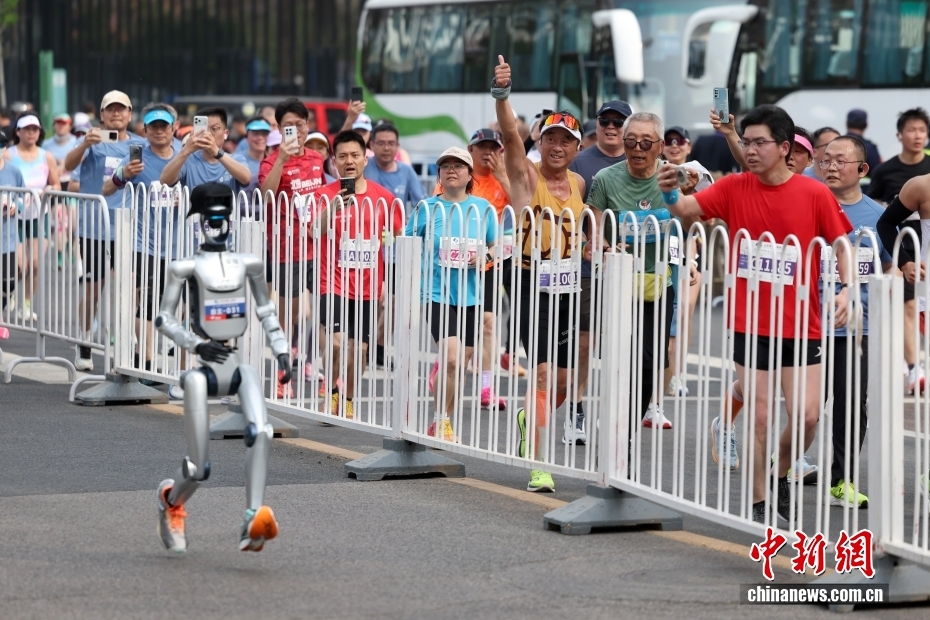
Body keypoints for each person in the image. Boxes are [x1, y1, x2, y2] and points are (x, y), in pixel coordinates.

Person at [657, 104, 853, 525]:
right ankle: (760, 501)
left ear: (784, 148)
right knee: (760, 415)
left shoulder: (814, 193)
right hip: (751, 321)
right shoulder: (734, 187)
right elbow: (687, 211)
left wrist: (845, 289)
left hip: (802, 323)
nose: (749, 150)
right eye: (745, 142)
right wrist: (671, 192)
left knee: (807, 416)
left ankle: (780, 471)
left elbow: (842, 246)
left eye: (759, 142)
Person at [153, 182, 291, 554]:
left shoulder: (247, 263)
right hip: (203, 368)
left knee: (262, 432)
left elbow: (266, 310)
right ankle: (170, 502)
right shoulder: (185, 267)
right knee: (200, 468)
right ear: (200, 222)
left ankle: (252, 518)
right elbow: (164, 318)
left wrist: (281, 349)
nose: (217, 226)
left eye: (222, 218)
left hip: (236, 363)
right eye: (210, 219)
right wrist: (196, 344)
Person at [494, 55, 586, 492]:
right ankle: (538, 463)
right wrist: (502, 95)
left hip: (568, 285)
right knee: (545, 374)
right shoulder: (527, 177)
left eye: (566, 140)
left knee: (564, 382)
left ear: (577, 148)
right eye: (551, 138)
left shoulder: (580, 185)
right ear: (541, 141)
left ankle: (528, 417)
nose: (558, 146)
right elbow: (510, 137)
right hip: (531, 281)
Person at [586, 112, 691, 431]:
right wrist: (605, 248)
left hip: (658, 281)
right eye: (631, 141)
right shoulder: (605, 178)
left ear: (659, 146)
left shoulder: (673, 177)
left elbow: (690, 222)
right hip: (617, 280)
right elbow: (594, 229)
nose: (637, 148)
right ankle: (618, 420)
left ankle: (635, 414)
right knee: (619, 354)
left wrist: (687, 259)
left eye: (646, 142)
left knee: (652, 360)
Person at [406, 147, 497, 443]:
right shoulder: (427, 208)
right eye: (445, 166)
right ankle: (440, 420)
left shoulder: (483, 208)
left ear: (470, 175)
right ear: (440, 175)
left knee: (460, 367)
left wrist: (485, 255)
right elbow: (405, 241)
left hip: (471, 296)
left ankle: (443, 421)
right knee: (453, 359)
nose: (451, 170)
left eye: (458, 166)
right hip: (435, 294)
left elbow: (497, 245)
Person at [821, 135, 890, 509]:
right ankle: (785, 459)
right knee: (805, 408)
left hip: (856, 327)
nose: (831, 166)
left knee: (850, 404)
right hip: (808, 323)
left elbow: (891, 269)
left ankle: (841, 480)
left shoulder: (879, 217)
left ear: (862, 169)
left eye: (840, 161)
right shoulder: (807, 204)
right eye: (826, 159)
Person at [314, 131, 401, 418]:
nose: (349, 161)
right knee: (337, 343)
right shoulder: (324, 195)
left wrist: (390, 279)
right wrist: (333, 208)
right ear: (334, 161)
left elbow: (401, 235)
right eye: (342, 156)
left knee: (360, 349)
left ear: (365, 158)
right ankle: (331, 391)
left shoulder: (384, 198)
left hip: (367, 286)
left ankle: (348, 398)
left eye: (354, 155)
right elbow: (313, 231)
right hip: (333, 282)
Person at [64, 90, 146, 372]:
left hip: (129, 227)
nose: (116, 113)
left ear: (130, 114)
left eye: (121, 109)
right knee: (93, 288)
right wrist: (85, 144)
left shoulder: (139, 144)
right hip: (94, 227)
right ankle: (84, 342)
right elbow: (68, 166)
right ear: (101, 114)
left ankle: (128, 338)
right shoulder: (91, 140)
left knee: (130, 287)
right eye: (110, 109)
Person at [565, 99, 632, 441]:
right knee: (585, 342)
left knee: (624, 344)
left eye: (618, 122)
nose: (611, 127)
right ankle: (575, 410)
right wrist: (588, 243)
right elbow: (571, 212)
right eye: (605, 121)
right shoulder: (580, 162)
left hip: (633, 268)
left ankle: (617, 413)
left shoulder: (639, 160)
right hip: (588, 266)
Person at [102, 104, 180, 393]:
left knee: (160, 301)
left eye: (164, 126)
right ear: (144, 130)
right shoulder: (135, 156)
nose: (159, 131)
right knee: (148, 298)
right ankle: (146, 360)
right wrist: (123, 174)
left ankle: (140, 356)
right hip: (141, 240)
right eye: (153, 127)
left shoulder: (184, 153)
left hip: (175, 242)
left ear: (173, 128)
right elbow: (107, 189)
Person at [433, 128, 512, 409]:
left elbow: (522, 207)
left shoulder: (502, 179)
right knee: (456, 332)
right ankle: (444, 362)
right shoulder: (457, 178)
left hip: (488, 261)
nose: (488, 152)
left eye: (494, 147)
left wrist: (502, 175)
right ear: (471, 150)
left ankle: (486, 387)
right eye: (482, 147)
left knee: (488, 323)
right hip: (451, 265)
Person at [259, 97, 327, 396]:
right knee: (290, 316)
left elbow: (323, 194)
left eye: (300, 125)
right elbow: (265, 195)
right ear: (279, 128)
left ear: (307, 125)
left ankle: (329, 374)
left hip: (319, 247)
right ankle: (282, 373)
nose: (296, 131)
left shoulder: (316, 158)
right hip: (288, 249)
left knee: (325, 312)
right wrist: (281, 160)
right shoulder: (270, 161)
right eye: (289, 126)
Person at [866, 107, 930, 394]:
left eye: (922, 130)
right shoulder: (894, 173)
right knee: (908, 307)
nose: (917, 136)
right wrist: (903, 261)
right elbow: (879, 216)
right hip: (908, 250)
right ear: (899, 135)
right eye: (912, 130)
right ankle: (915, 367)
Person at [661, 125, 713, 400]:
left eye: (679, 141)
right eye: (669, 140)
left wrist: (691, 190)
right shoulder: (658, 172)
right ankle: (666, 369)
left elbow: (705, 219)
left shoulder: (698, 173)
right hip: (662, 249)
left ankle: (677, 373)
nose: (674, 145)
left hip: (690, 247)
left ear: (689, 146)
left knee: (684, 311)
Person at [6, 114, 61, 322]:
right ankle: (10, 290)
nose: (31, 133)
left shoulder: (46, 156)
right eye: (27, 129)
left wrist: (49, 189)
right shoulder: (8, 154)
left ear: (39, 132)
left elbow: (56, 183)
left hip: (39, 214)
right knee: (20, 266)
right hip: (14, 216)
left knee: (36, 265)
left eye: (35, 129)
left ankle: (26, 305)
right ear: (18, 131)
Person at [159, 106, 250, 191]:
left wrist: (216, 152)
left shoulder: (236, 159)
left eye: (214, 128)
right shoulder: (188, 160)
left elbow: (246, 179)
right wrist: (186, 150)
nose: (208, 134)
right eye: (204, 129)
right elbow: (165, 181)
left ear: (225, 134)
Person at [364, 123, 425, 207]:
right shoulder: (363, 166)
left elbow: (423, 204)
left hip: (397, 216)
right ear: (372, 145)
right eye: (381, 143)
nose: (386, 148)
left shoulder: (406, 171)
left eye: (391, 143)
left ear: (397, 146)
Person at [0, 132, 25, 316]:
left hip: (7, 238)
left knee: (9, 282)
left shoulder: (14, 171)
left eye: (1, 144)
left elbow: (23, 196)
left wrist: (17, 206)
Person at [237, 117, 272, 199]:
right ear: (246, 136)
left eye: (264, 133)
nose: (260, 137)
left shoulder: (276, 162)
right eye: (256, 133)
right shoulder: (236, 161)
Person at [42, 114, 77, 190]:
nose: (60, 126)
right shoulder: (45, 144)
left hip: (71, 182)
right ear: (54, 125)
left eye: (64, 123)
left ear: (70, 126)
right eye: (58, 123)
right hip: (51, 182)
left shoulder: (77, 142)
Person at [845, 109, 881, 173]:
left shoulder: (835, 145)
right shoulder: (870, 148)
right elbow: (877, 171)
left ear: (846, 123)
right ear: (866, 125)